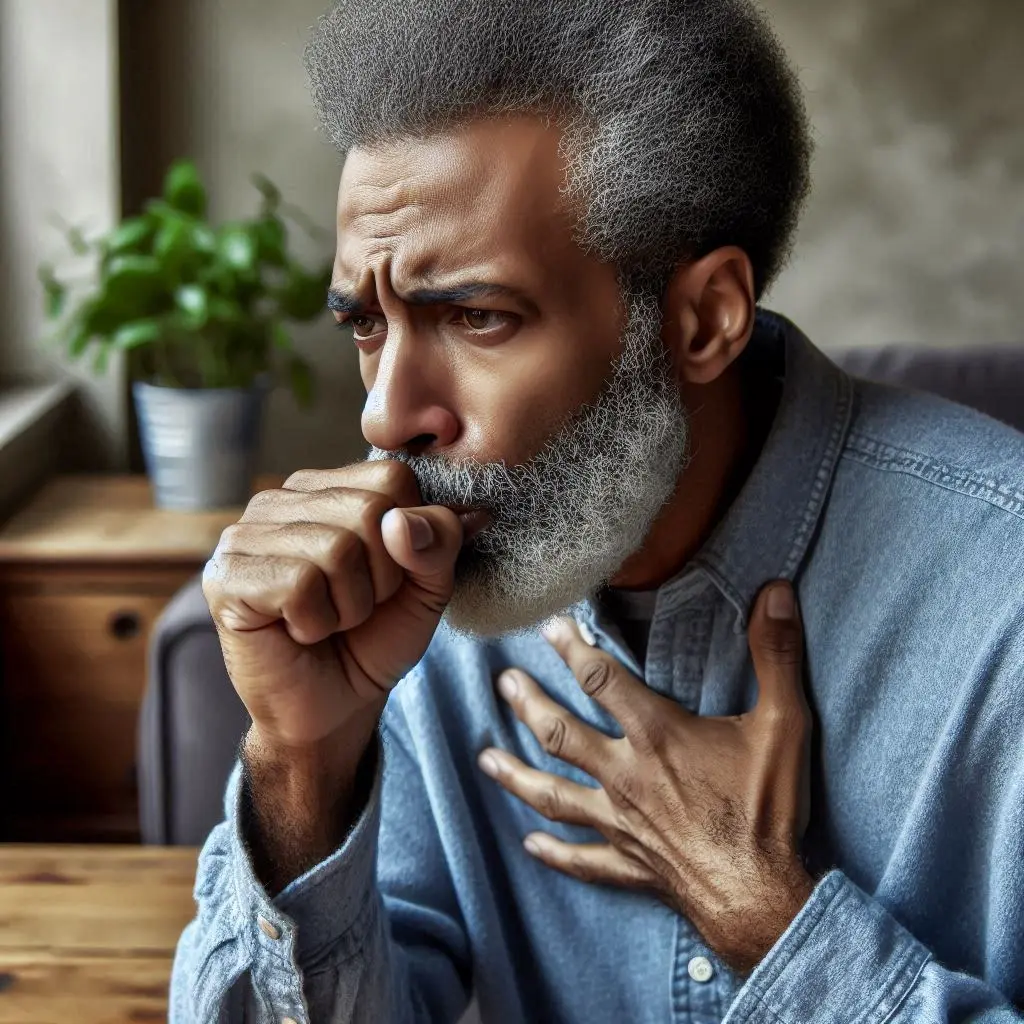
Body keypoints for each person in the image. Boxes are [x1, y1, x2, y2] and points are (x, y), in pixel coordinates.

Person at [170, 0, 1024, 1020]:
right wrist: (301, 766)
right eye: (367, 323)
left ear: (703, 318)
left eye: (476, 316)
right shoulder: (401, 599)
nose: (386, 414)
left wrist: (766, 915)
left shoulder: (1004, 609)